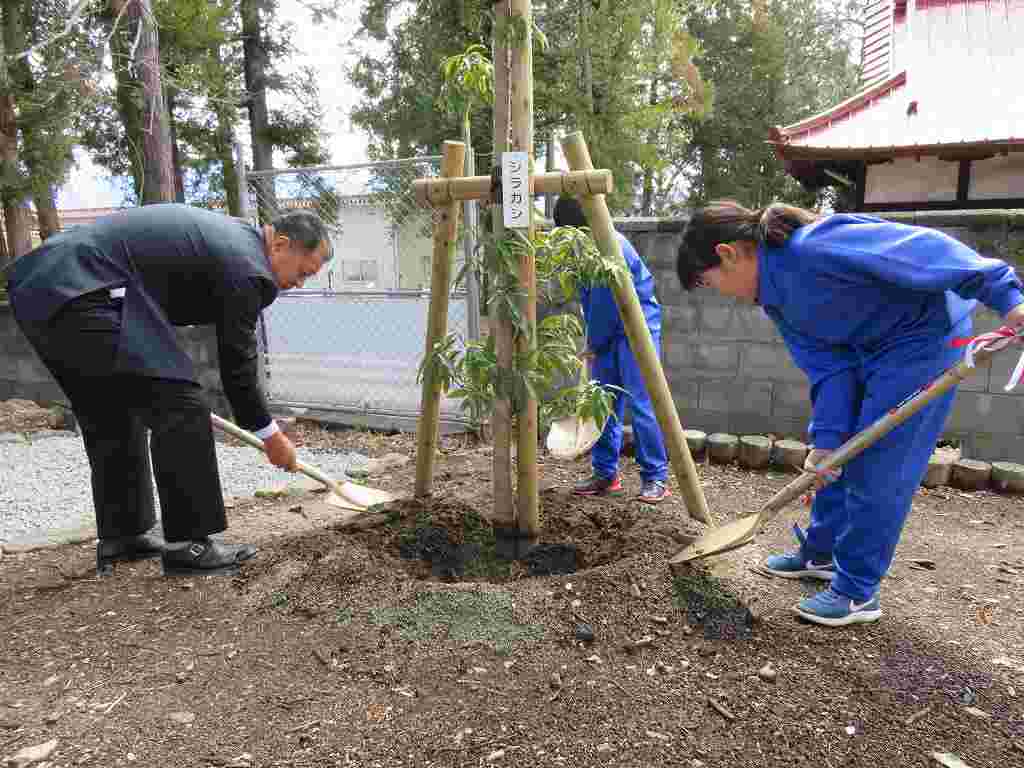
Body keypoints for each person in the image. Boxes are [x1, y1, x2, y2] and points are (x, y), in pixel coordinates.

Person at [675, 200, 1024, 627]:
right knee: (835, 461)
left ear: (728, 254)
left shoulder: (815, 248)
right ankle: (820, 553)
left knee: (879, 466)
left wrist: (1008, 298)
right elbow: (828, 368)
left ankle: (857, 590)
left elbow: (925, 248)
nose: (717, 293)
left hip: (920, 340)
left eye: (709, 282)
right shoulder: (776, 300)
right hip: (868, 350)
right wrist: (826, 440)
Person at [4, 203, 332, 577]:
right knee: (181, 403)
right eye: (304, 272)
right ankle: (189, 544)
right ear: (281, 245)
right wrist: (270, 435)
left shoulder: (230, 245)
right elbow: (237, 362)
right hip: (85, 285)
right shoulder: (249, 266)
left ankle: (124, 536)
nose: (299, 284)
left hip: (41, 287)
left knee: (111, 410)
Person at [552, 195, 671, 504]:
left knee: (643, 404)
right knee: (601, 403)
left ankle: (655, 478)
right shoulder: (581, 249)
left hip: (637, 329)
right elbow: (590, 302)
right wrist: (594, 340)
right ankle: (605, 474)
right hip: (607, 333)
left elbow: (607, 305)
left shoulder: (608, 247)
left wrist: (594, 344)